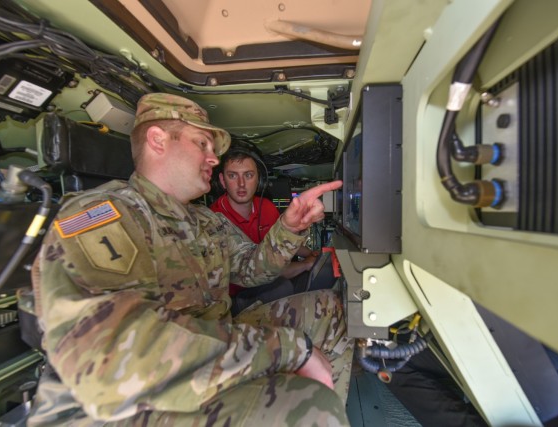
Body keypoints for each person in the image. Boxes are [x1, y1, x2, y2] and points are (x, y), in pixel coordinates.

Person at [27, 93, 354, 426]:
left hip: (208, 341)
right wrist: (288, 349)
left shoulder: (205, 220)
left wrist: (289, 226)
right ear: (158, 140)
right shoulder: (103, 216)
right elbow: (118, 360)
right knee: (311, 408)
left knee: (335, 310)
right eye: (203, 144)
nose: (213, 159)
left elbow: (252, 268)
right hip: (125, 402)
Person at [209, 142, 321, 311]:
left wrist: (313, 254)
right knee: (283, 287)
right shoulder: (214, 220)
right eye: (233, 176)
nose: (241, 184)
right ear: (223, 181)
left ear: (259, 179)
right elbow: (267, 270)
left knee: (312, 285)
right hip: (236, 295)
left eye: (248, 175)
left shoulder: (267, 207)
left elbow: (281, 242)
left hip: (265, 279)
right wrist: (306, 264)